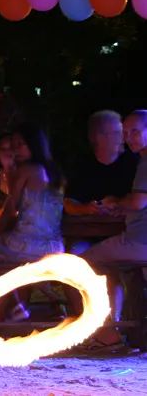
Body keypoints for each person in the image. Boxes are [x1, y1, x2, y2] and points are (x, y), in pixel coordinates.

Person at [72, 110, 147, 353]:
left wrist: (116, 204)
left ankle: (105, 333)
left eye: (135, 131)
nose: (128, 137)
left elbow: (138, 203)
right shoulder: (139, 161)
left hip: (139, 241)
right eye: (125, 132)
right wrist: (123, 204)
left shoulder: (143, 162)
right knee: (114, 269)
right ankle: (117, 330)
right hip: (135, 239)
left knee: (79, 265)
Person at [0, 123, 65, 320]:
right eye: (12, 145)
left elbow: (11, 206)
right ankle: (46, 298)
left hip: (28, 243)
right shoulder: (55, 171)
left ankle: (10, 310)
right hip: (55, 244)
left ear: (33, 144)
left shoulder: (27, 170)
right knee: (19, 264)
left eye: (20, 144)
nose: (15, 150)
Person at [65, 110, 139, 216]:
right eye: (117, 133)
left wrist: (118, 203)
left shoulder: (135, 162)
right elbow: (69, 204)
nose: (124, 138)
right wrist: (88, 209)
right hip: (92, 229)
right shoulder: (82, 166)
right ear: (100, 137)